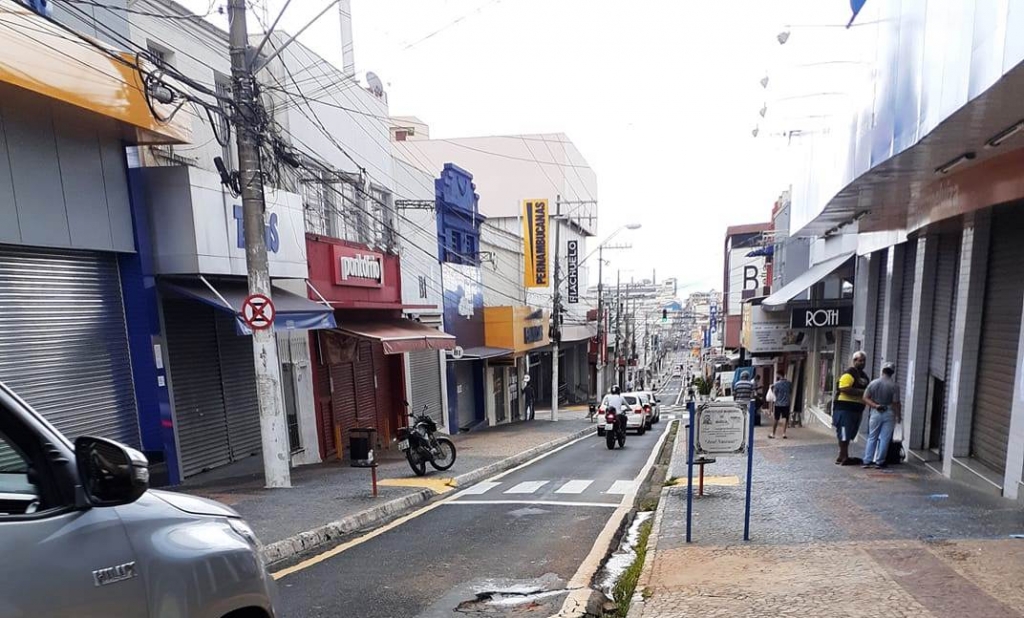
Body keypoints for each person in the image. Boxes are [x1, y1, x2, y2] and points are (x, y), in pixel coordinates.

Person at [861, 362, 902, 469]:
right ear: (892, 373)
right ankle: (880, 461)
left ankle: (867, 460)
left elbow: (865, 398)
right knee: (885, 438)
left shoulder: (873, 383)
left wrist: (875, 405)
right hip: (889, 412)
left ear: (882, 370)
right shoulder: (894, 386)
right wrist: (898, 416)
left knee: (872, 437)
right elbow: (896, 402)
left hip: (875, 411)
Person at [833, 351, 871, 465]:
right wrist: (862, 392)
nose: (862, 363)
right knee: (844, 433)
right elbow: (844, 388)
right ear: (854, 361)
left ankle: (842, 455)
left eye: (864, 361)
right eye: (860, 360)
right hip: (844, 409)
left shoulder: (864, 376)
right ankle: (844, 455)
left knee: (849, 434)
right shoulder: (849, 374)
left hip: (857, 409)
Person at [768, 373, 793, 439]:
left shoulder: (776, 384)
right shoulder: (789, 383)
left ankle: (773, 433)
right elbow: (790, 392)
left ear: (779, 376)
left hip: (778, 404)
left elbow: (775, 393)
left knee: (776, 418)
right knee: (785, 418)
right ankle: (784, 433)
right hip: (786, 403)